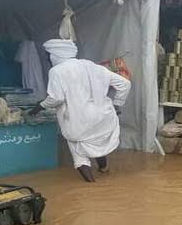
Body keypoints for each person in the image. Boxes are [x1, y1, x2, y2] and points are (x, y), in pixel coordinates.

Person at [30, 39, 131, 182]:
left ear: (55, 55)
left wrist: (39, 106)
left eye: (48, 56)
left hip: (78, 119)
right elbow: (125, 84)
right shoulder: (93, 66)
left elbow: (56, 98)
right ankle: (103, 169)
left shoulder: (57, 71)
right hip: (103, 116)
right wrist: (117, 105)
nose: (47, 59)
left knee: (79, 153)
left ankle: (91, 187)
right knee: (95, 142)